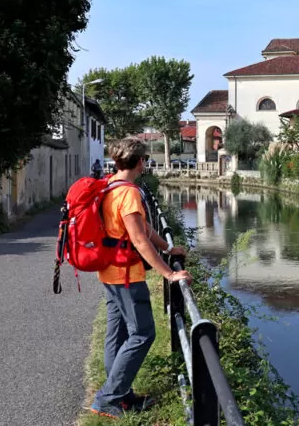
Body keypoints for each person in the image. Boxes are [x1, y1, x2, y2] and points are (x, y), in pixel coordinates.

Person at [90, 137, 192, 419]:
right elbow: (139, 240)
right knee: (143, 332)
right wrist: (169, 273)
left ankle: (120, 394)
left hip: (109, 271)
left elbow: (145, 229)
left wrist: (169, 248)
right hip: (125, 275)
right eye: (145, 159)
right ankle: (108, 398)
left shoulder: (111, 186)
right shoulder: (130, 194)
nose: (146, 163)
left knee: (117, 333)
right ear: (139, 162)